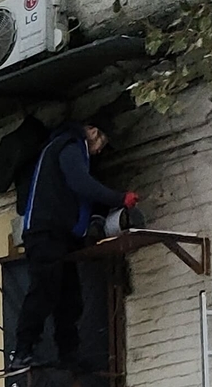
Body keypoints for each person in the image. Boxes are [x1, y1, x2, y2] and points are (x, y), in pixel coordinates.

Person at [12, 121, 139, 367]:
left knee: (69, 297)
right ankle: (23, 350)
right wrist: (120, 198)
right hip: (45, 232)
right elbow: (80, 183)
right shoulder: (69, 145)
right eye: (101, 144)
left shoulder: (63, 148)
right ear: (93, 131)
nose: (100, 151)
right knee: (44, 290)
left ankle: (68, 354)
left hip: (62, 236)